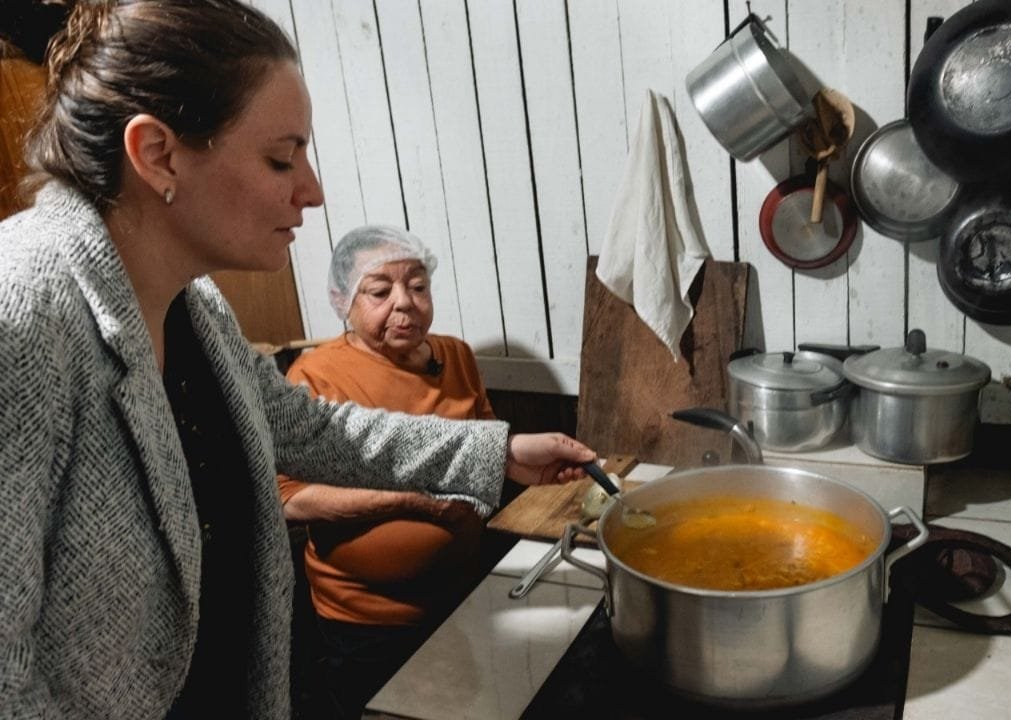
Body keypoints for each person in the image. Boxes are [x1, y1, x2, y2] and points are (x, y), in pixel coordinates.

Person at [0, 2, 595, 718]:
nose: (311, 190)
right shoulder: (25, 313)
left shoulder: (199, 309)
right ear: (158, 154)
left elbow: (313, 431)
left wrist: (502, 452)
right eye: (281, 158)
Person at [277, 226, 503, 718]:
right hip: (367, 622)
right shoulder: (316, 376)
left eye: (418, 286)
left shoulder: (456, 355)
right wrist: (408, 501)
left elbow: (488, 447)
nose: (405, 303)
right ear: (343, 300)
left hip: (465, 598)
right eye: (379, 291)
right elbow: (290, 500)